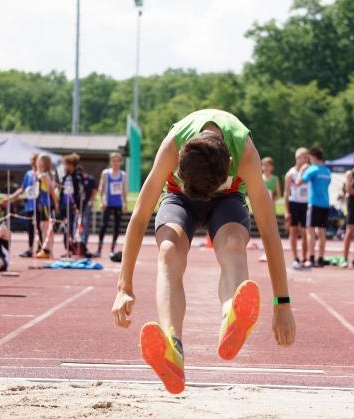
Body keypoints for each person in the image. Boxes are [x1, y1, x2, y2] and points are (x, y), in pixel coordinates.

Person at [111, 109, 296, 394]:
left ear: (231, 164)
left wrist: (282, 304)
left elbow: (270, 233)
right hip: (179, 197)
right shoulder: (172, 145)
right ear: (181, 159)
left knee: (233, 244)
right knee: (169, 250)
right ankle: (173, 347)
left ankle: (231, 315)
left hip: (228, 198)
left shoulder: (245, 153)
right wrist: (124, 286)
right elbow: (139, 216)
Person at [297, 147, 332, 268]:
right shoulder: (327, 171)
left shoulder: (312, 169)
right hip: (325, 204)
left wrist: (302, 169)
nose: (309, 160)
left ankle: (311, 258)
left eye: (310, 158)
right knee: (322, 232)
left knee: (310, 231)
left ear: (314, 157)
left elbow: (298, 182)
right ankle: (320, 258)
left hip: (314, 204)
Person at [3, 153, 38, 257]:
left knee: (40, 227)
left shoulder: (41, 174)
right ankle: (30, 249)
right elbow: (22, 189)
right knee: (30, 227)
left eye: (33, 160)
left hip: (39, 205)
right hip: (30, 205)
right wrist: (10, 198)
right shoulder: (28, 174)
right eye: (31, 160)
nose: (31, 162)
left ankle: (42, 248)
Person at [95, 153, 127, 257]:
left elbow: (124, 189)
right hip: (107, 203)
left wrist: (125, 203)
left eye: (117, 161)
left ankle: (112, 250)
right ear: (110, 162)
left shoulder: (123, 174)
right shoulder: (105, 173)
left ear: (120, 162)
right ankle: (99, 249)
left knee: (116, 227)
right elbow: (101, 188)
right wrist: (101, 201)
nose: (115, 163)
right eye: (113, 161)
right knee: (103, 225)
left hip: (118, 204)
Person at [284, 147, 309, 269]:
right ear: (297, 158)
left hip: (306, 204)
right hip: (293, 203)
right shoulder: (291, 173)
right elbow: (286, 193)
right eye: (304, 157)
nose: (306, 160)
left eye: (307, 157)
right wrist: (286, 211)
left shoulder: (309, 172)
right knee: (293, 232)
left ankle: (305, 258)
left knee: (305, 232)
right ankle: (295, 258)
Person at [59, 154, 84, 254]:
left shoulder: (77, 177)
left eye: (66, 165)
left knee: (70, 227)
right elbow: (63, 191)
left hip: (72, 206)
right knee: (65, 227)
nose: (65, 167)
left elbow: (79, 192)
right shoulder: (65, 177)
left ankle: (70, 248)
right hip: (64, 205)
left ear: (71, 165)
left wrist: (77, 205)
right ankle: (67, 248)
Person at [35, 154, 58, 259]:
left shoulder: (45, 175)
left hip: (47, 204)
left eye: (40, 161)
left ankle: (47, 250)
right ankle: (47, 249)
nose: (38, 163)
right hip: (42, 203)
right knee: (43, 226)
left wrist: (56, 203)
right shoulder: (41, 174)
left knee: (45, 227)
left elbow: (51, 190)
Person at [80, 168, 97, 248]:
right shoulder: (78, 179)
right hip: (79, 204)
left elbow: (94, 191)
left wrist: (91, 201)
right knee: (79, 223)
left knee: (85, 222)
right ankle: (79, 240)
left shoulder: (90, 179)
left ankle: (84, 241)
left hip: (87, 204)